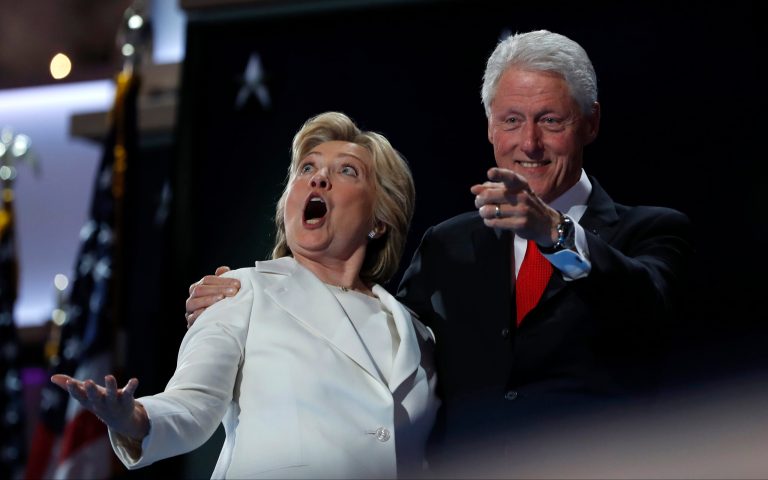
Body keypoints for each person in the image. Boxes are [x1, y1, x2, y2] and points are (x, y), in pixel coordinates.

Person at [186, 30, 694, 473]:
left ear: (591, 122)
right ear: (491, 126)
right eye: (512, 120)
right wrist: (257, 306)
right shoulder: (450, 244)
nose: (529, 143)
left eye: (551, 122)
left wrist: (556, 235)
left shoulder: (650, 232)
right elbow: (380, 350)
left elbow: (645, 309)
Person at [52, 111, 439, 479]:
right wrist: (133, 417)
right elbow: (194, 402)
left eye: (346, 171)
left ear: (379, 220)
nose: (319, 179)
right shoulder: (240, 291)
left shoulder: (417, 334)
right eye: (307, 168)